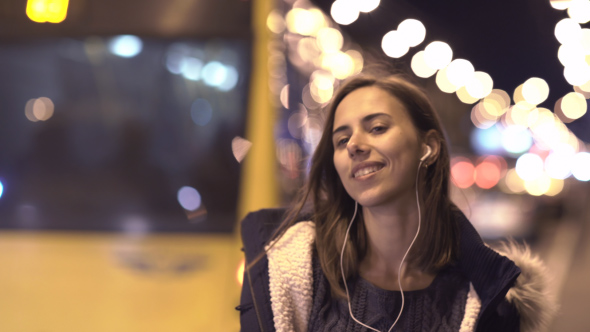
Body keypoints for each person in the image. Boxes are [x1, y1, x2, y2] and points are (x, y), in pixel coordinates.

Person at [237, 73, 556, 332]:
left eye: (377, 128)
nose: (355, 146)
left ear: (428, 147)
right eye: (341, 140)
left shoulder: (484, 297)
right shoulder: (287, 268)